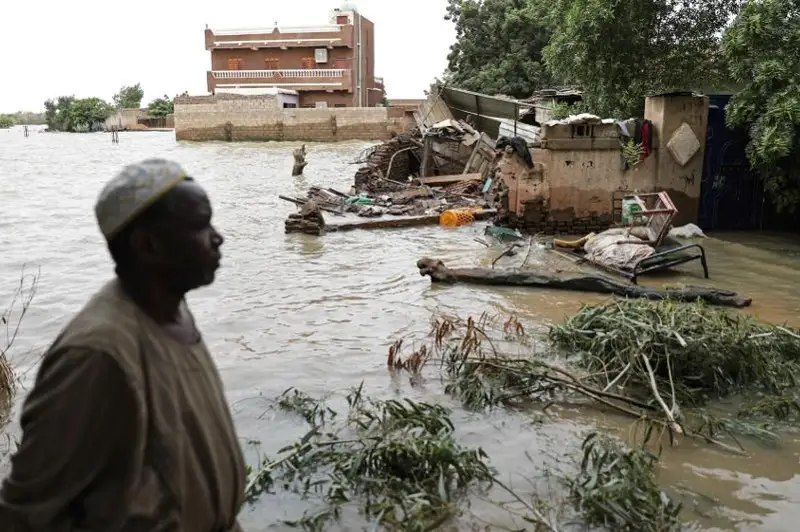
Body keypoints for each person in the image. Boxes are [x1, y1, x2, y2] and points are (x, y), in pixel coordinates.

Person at [0, 159, 245, 531]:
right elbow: (26, 512)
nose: (217, 237)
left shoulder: (173, 309)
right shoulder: (97, 354)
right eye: (199, 225)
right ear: (148, 245)